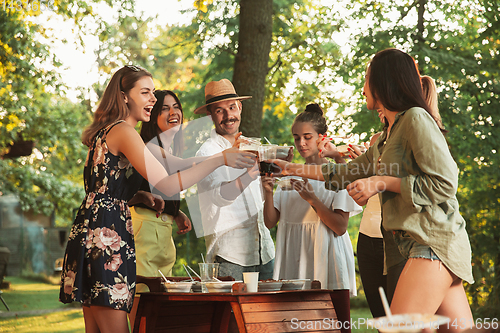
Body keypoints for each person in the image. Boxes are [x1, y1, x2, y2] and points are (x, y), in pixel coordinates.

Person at [271, 49, 473, 330]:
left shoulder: (416, 118)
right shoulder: (387, 136)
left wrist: (381, 182)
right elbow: (342, 173)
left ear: (383, 82)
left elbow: (445, 184)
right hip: (421, 245)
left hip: (433, 243)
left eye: (367, 78)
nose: (363, 86)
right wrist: (287, 168)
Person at [59, 66, 256, 333]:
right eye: (145, 92)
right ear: (124, 96)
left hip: (95, 227)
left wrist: (137, 194)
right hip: (107, 235)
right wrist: (220, 159)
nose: (153, 98)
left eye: (153, 92)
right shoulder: (124, 131)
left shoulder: (111, 131)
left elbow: (176, 163)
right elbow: (166, 182)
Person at [262, 103, 362, 295]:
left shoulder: (337, 174)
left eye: (307, 137)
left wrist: (312, 199)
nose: (301, 143)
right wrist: (267, 191)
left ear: (321, 139)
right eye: (297, 138)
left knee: (330, 320)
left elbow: (340, 227)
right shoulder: (289, 175)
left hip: (326, 258)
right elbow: (269, 222)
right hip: (294, 257)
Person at [194, 79, 275, 281]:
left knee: (267, 313)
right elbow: (220, 197)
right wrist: (250, 174)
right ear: (209, 115)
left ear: (240, 107)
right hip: (230, 257)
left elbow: (265, 198)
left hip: (265, 251)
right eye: (220, 110)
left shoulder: (253, 146)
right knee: (230, 314)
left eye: (231, 107)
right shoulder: (206, 153)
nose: (229, 115)